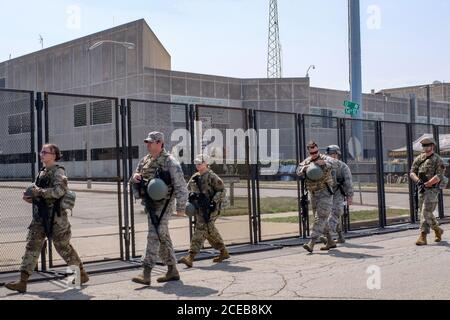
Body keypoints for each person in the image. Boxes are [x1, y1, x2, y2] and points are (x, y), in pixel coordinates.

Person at [5, 144, 88, 293]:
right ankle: (22, 282)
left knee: (63, 247)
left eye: (45, 152)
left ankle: (81, 274)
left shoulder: (59, 172)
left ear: (54, 155)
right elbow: (39, 194)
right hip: (40, 217)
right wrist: (31, 198)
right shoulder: (42, 172)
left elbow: (59, 191)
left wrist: (39, 192)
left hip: (56, 218)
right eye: (41, 152)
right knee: (32, 246)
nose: (41, 154)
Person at [130, 132, 188, 286]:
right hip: (150, 203)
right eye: (147, 142)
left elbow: (181, 186)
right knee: (162, 236)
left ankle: (146, 272)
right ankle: (172, 270)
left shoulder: (170, 162)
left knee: (154, 234)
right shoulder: (145, 160)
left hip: (164, 205)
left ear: (160, 143)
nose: (148, 145)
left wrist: (181, 208)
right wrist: (135, 177)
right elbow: (136, 175)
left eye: (151, 142)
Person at [179, 154, 229, 268]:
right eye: (196, 163)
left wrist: (213, 202)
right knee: (209, 230)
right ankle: (223, 251)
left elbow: (222, 191)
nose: (197, 165)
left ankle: (190, 257)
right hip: (199, 209)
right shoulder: (194, 177)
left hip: (211, 209)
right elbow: (187, 190)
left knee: (201, 229)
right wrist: (190, 197)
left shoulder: (212, 176)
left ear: (206, 163)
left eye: (200, 163)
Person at [297, 140, 338, 253]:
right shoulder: (307, 161)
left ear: (318, 149)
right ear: (309, 152)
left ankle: (312, 242)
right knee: (320, 218)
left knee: (320, 217)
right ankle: (330, 241)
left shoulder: (325, 158)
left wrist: (325, 163)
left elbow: (336, 163)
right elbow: (298, 170)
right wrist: (303, 169)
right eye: (312, 153)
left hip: (325, 192)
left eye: (316, 152)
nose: (314, 154)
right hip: (313, 194)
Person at [410, 137, 445, 246]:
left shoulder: (437, 159)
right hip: (421, 189)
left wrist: (428, 183)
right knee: (425, 212)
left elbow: (439, 175)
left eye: (427, 145)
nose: (425, 147)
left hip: (432, 190)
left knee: (425, 211)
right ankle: (437, 229)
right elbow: (412, 172)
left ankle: (423, 236)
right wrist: (418, 181)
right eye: (423, 146)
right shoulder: (419, 158)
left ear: (433, 146)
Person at [319, 145, 353, 244]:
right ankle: (340, 236)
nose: (332, 156)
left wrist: (349, 195)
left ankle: (328, 235)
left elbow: (348, 181)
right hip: (326, 192)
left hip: (338, 191)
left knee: (336, 211)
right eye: (330, 154)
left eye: (334, 154)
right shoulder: (323, 166)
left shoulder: (343, 166)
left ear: (338, 155)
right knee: (332, 214)